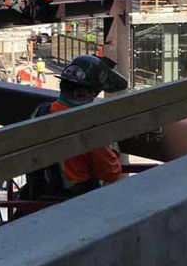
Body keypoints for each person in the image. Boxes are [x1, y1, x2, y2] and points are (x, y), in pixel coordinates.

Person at [19, 55, 129, 202]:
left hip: (38, 196)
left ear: (62, 85)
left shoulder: (41, 112)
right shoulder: (88, 126)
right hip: (75, 202)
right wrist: (113, 148)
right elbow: (110, 172)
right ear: (92, 92)